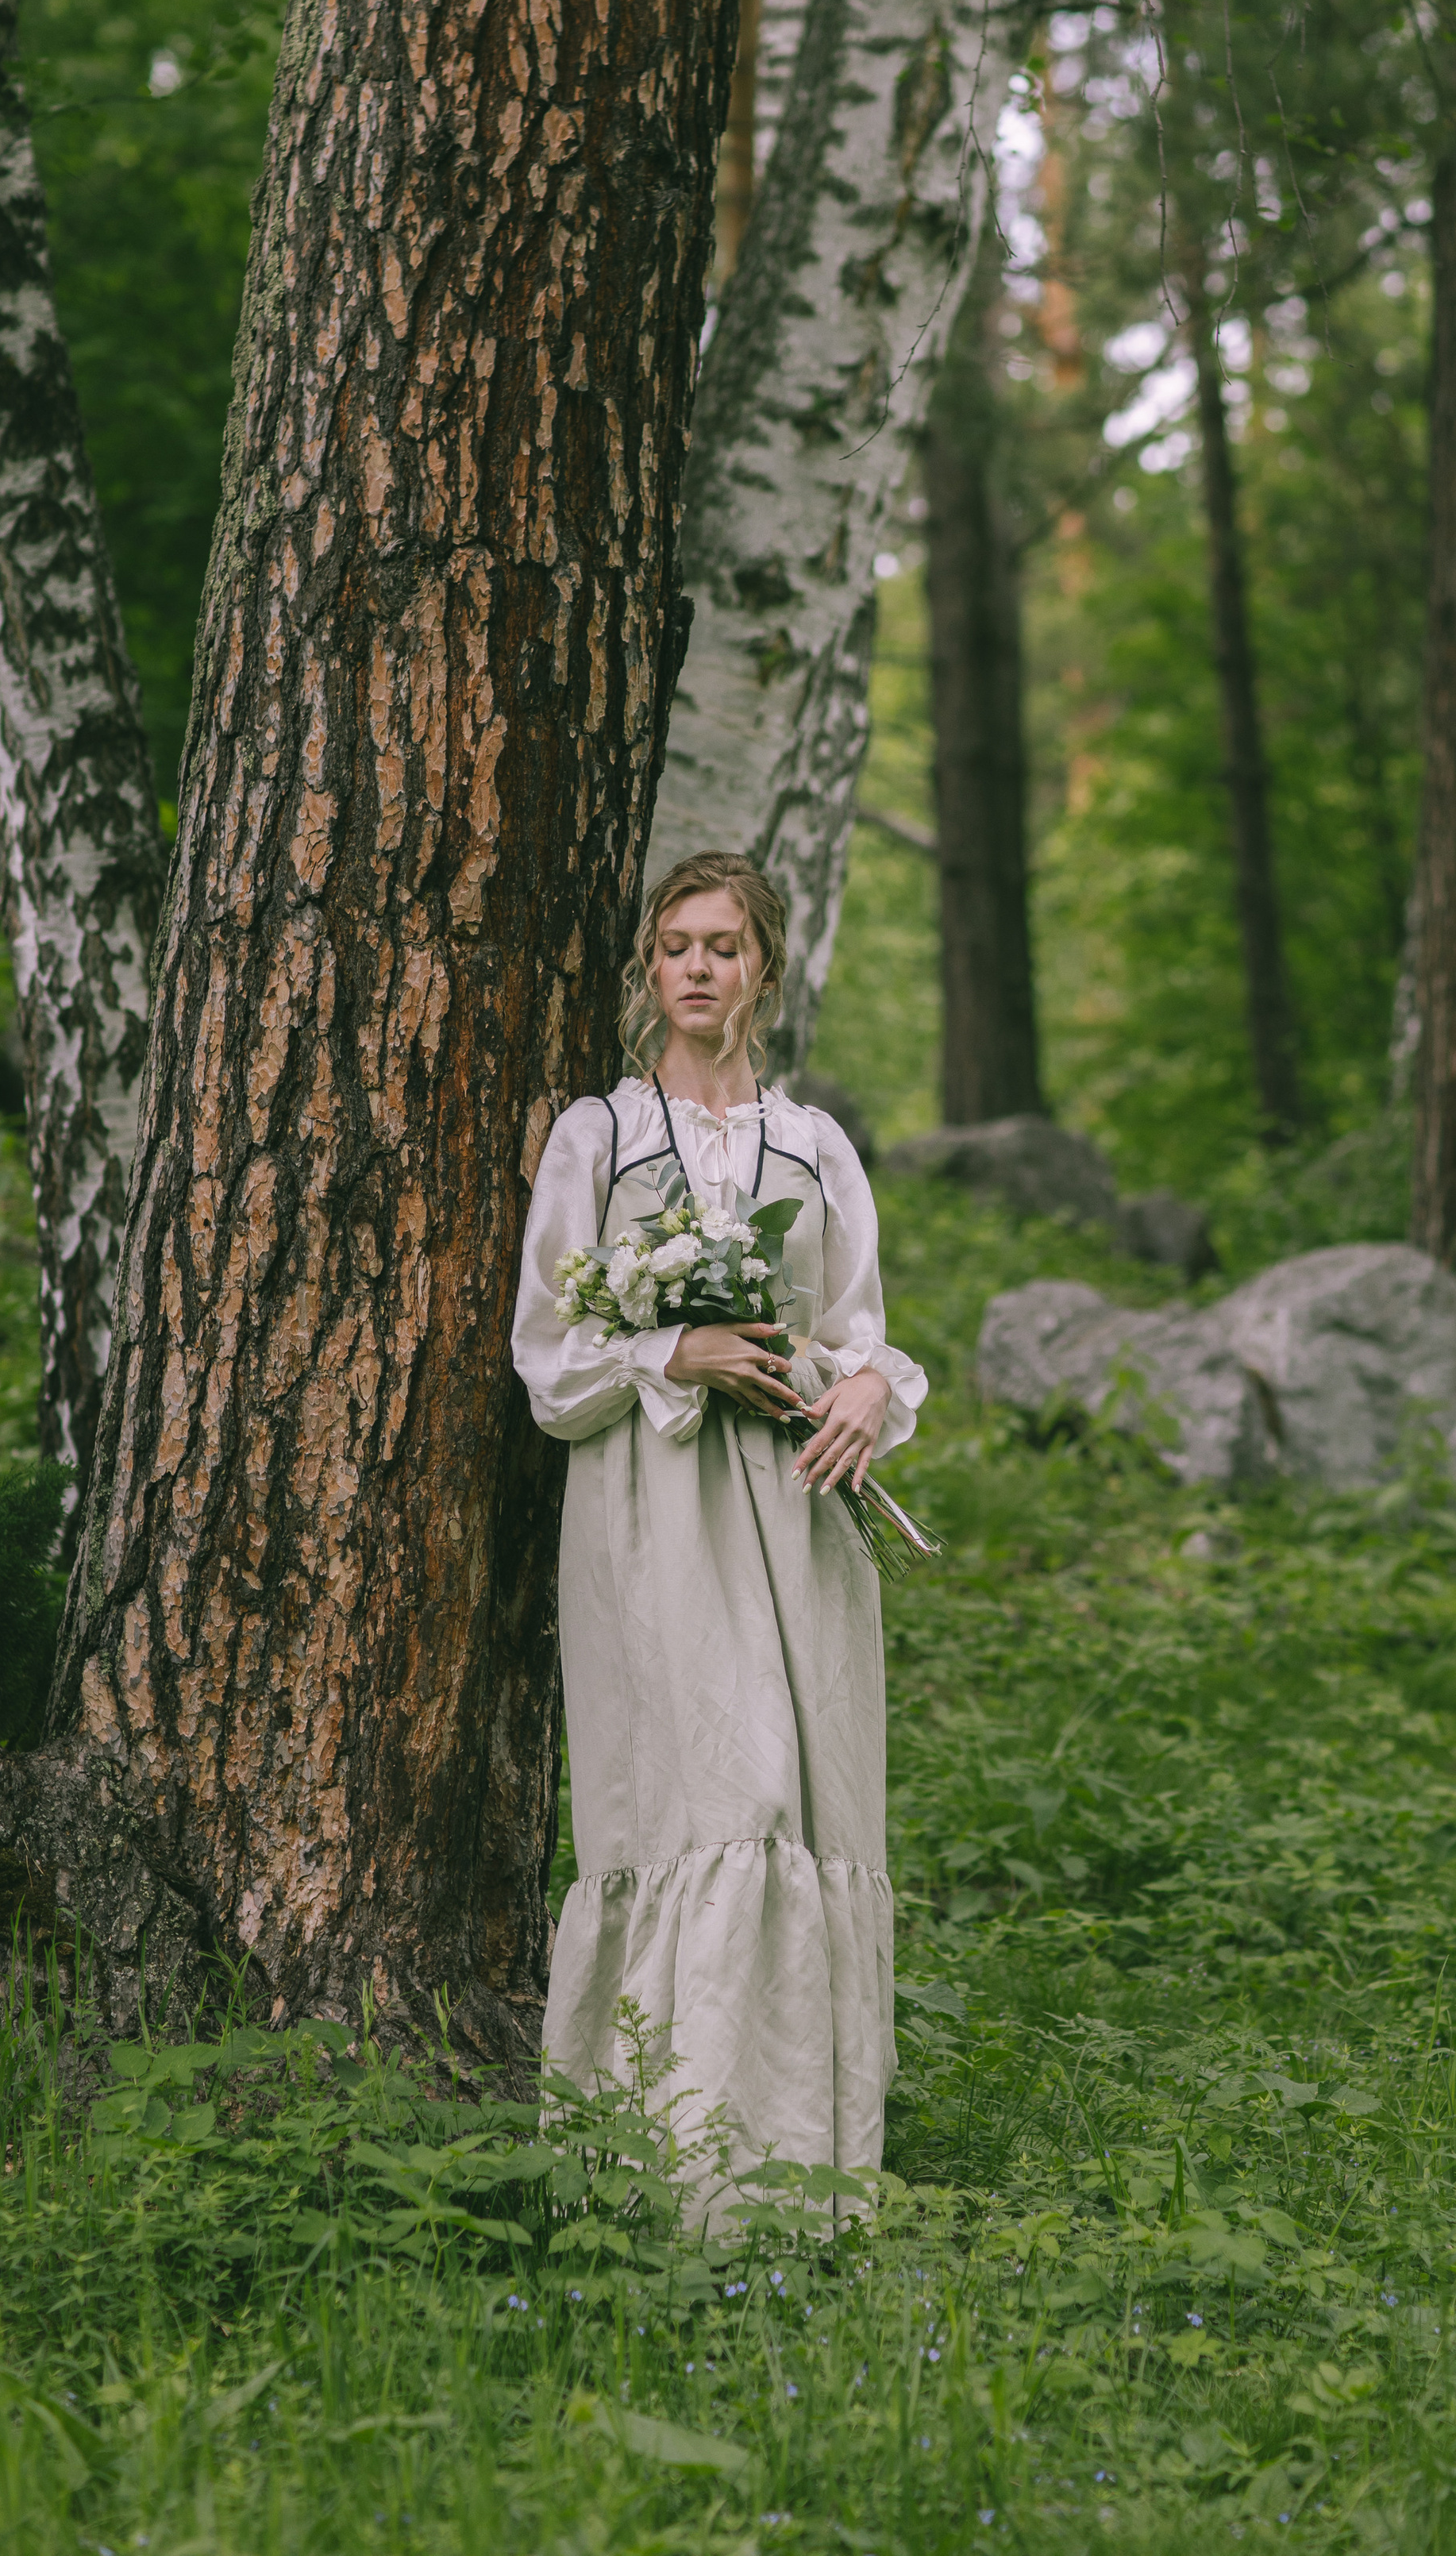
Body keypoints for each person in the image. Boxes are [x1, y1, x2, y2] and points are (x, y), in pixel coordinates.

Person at [510, 850, 926, 2198]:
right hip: (653, 1511)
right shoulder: (598, 1136)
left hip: (797, 1511)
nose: (700, 967)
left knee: (800, 1803)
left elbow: (863, 1332)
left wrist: (866, 1389)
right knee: (706, 1794)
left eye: (725, 946)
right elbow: (548, 1359)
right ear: (649, 968)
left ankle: (799, 2173)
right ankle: (661, 2170)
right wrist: (668, 1354)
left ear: (765, 968)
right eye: (678, 944)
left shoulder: (814, 1146)